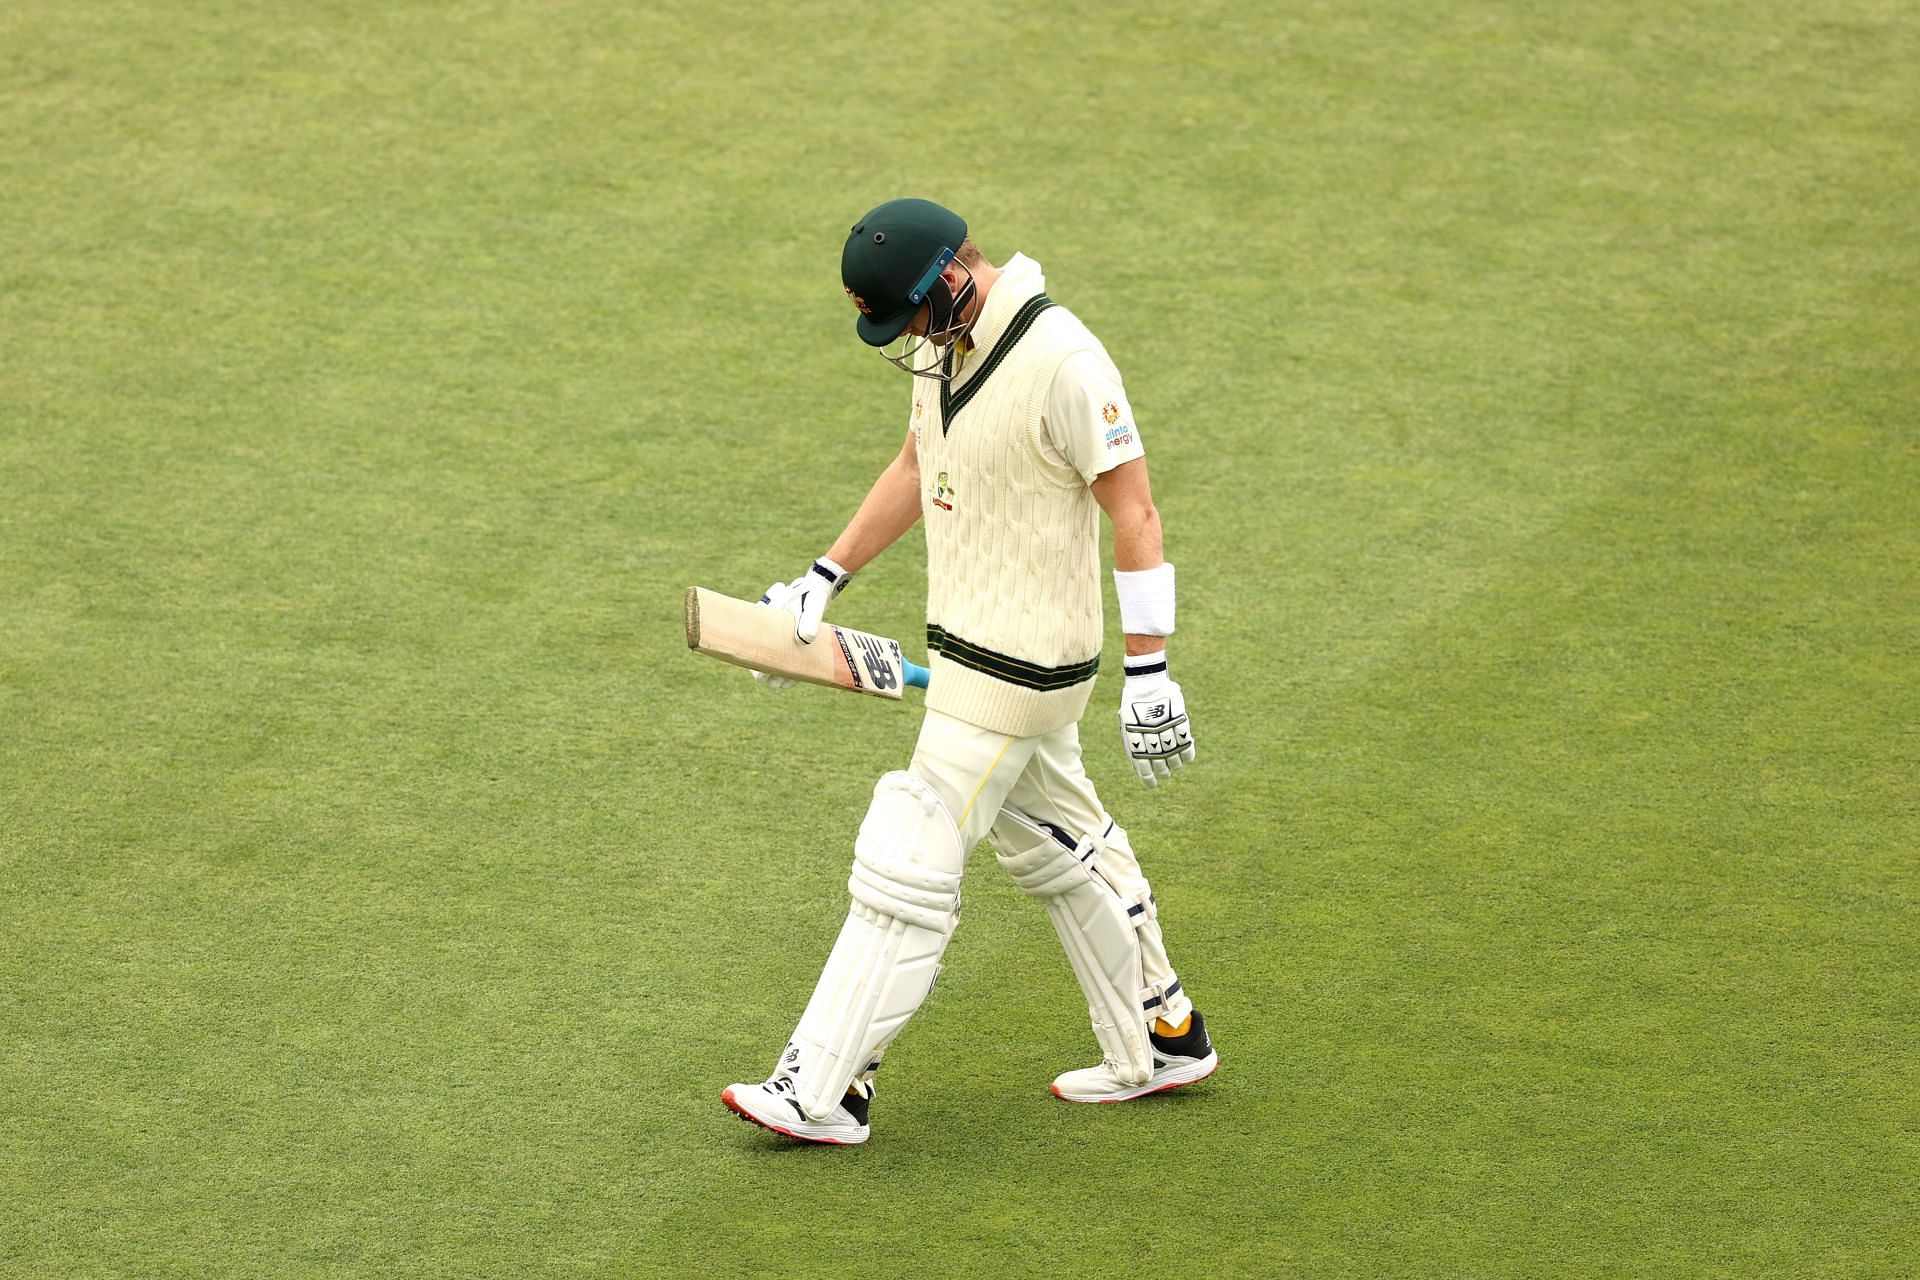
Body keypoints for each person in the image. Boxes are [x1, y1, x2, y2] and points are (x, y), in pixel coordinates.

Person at [721, 198, 1215, 1145]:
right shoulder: (947, 348)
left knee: (907, 853)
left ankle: (822, 1088)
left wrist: (1150, 670)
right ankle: (1162, 1033)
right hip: (966, 653)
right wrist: (826, 578)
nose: (906, 339)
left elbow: (1137, 512)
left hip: (1021, 669)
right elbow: (918, 464)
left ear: (952, 277)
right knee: (1054, 840)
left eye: (907, 316)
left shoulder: (1065, 361)